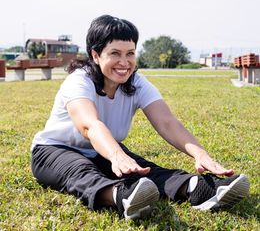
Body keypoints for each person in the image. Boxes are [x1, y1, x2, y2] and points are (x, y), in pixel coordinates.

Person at [31, 15, 249, 220]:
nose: (124, 62)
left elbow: (166, 122)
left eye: (130, 53)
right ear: (96, 55)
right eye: (115, 53)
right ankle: (122, 197)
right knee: (82, 171)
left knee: (144, 169)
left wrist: (199, 154)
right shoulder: (79, 81)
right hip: (54, 150)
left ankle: (198, 188)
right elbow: (89, 125)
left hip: (103, 150)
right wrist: (116, 155)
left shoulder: (137, 83)